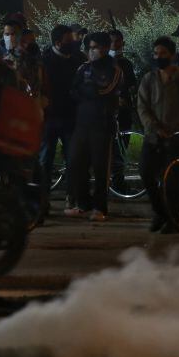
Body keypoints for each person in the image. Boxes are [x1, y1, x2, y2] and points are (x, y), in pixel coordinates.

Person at [137, 36, 179, 233]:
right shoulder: (149, 79)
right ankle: (160, 212)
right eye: (156, 54)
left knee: (172, 181)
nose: (159, 57)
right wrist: (154, 127)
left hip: (177, 137)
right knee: (146, 173)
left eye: (163, 54)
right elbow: (142, 107)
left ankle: (173, 218)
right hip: (154, 137)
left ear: (172, 55)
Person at [66, 32, 121, 221]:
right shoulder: (83, 68)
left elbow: (105, 91)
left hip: (102, 125)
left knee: (100, 168)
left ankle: (100, 208)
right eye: (89, 47)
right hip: (81, 124)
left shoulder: (114, 70)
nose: (91, 51)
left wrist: (88, 90)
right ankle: (83, 203)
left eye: (95, 47)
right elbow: (73, 90)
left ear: (105, 48)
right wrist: (89, 91)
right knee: (75, 162)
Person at [39, 24, 84, 211]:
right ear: (58, 42)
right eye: (69, 40)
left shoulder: (77, 60)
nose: (74, 42)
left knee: (73, 159)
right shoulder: (44, 61)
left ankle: (71, 197)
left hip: (71, 117)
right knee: (45, 160)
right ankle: (43, 200)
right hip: (50, 118)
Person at [108, 29, 139, 194]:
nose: (116, 45)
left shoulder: (126, 63)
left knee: (123, 145)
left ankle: (118, 181)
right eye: (112, 41)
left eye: (118, 41)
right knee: (111, 148)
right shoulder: (105, 63)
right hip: (110, 111)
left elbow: (131, 84)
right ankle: (113, 179)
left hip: (125, 111)